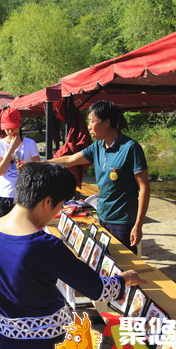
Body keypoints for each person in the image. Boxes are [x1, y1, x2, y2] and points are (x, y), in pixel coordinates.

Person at [0, 162, 147, 349]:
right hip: (50, 343)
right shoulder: (46, 245)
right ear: (47, 201)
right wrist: (125, 279)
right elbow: (98, 289)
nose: (57, 213)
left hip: (8, 338)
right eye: (59, 206)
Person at [48, 100, 150, 254]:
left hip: (122, 221)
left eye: (92, 121)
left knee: (126, 266)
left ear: (107, 122)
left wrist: (138, 225)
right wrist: (38, 165)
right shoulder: (97, 147)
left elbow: (144, 188)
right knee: (105, 262)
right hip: (102, 216)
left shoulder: (130, 148)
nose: (89, 127)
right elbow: (69, 160)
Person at [0, 107, 40, 218]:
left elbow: (39, 167)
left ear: (19, 125)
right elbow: (0, 171)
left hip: (25, 193)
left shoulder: (30, 143)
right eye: (7, 128)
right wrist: (12, 148)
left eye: (13, 128)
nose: (10, 131)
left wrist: (28, 165)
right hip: (5, 194)